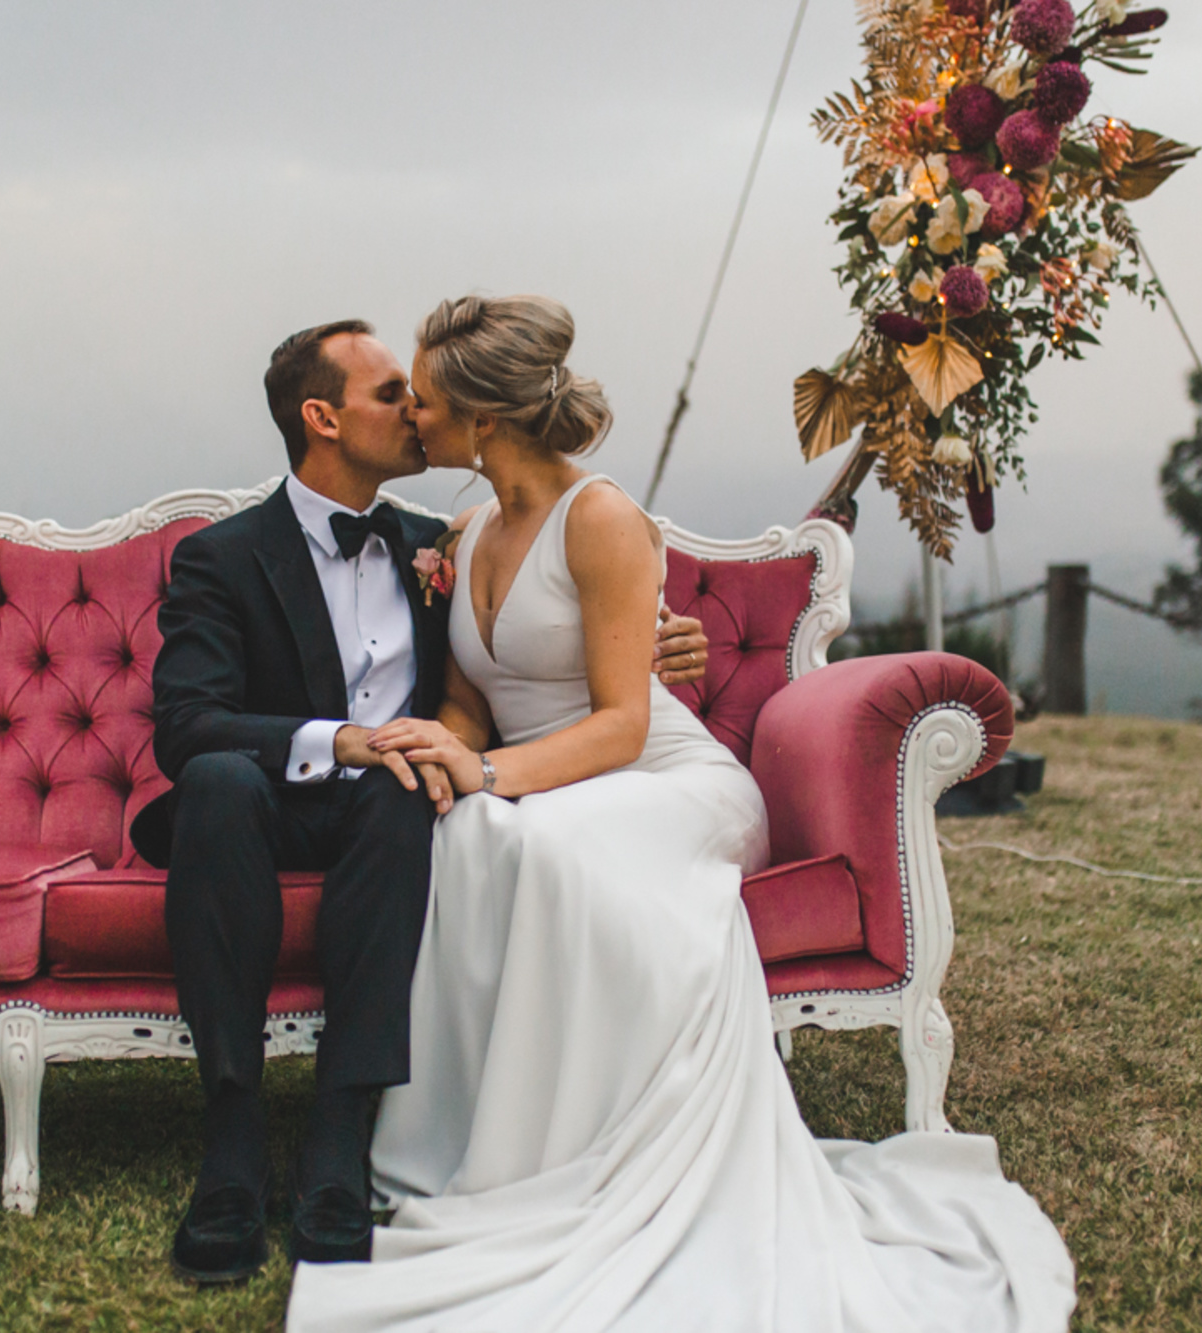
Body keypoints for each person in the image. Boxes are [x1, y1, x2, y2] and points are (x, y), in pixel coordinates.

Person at [284, 295, 1078, 1331]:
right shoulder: (468, 529)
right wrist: (447, 748)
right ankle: (496, 1144)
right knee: (472, 833)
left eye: (426, 402)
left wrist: (487, 776)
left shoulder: (602, 518)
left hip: (665, 782)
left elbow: (620, 725)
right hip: (544, 776)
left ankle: (594, 1152)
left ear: (481, 420)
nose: (413, 420)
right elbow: (470, 698)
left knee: (542, 841)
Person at [128, 319, 712, 1283]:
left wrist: (658, 639)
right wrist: (332, 741)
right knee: (218, 780)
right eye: (391, 392)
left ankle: (338, 1140)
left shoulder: (437, 544)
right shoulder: (221, 558)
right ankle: (230, 1143)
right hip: (268, 800)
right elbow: (187, 724)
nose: (414, 410)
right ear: (322, 418)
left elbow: (521, 651)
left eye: (417, 393)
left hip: (389, 808)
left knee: (410, 790)